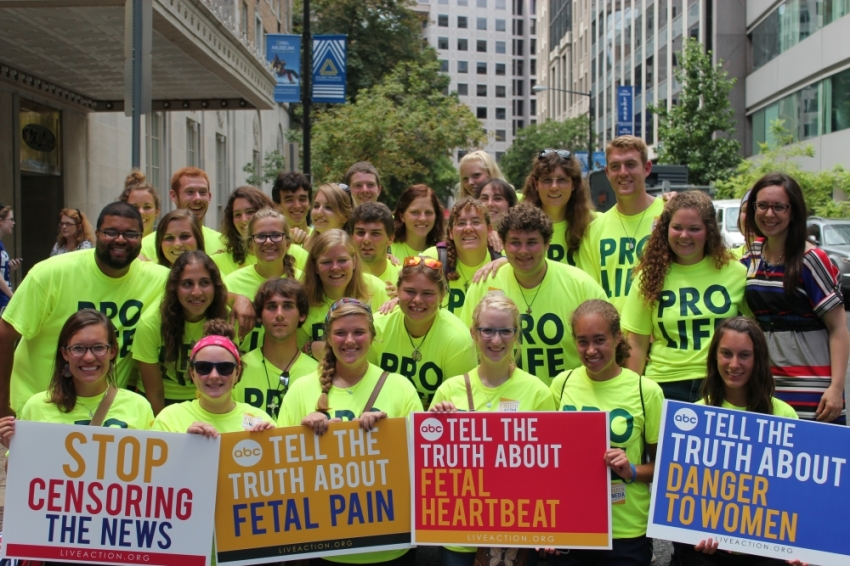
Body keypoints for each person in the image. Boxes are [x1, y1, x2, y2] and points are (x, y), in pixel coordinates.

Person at [278, 298, 422, 566]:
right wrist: (302, 436)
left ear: (373, 336)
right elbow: (281, 470)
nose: (350, 341)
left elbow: (421, 463)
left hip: (390, 546)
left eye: (359, 332)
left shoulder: (400, 387)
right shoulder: (301, 389)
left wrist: (389, 435)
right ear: (329, 338)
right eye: (340, 333)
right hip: (326, 546)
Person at [0, 202, 169, 416]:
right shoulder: (51, 273)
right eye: (111, 232)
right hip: (37, 410)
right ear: (96, 234)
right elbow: (5, 334)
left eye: (130, 234)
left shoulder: (159, 280)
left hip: (104, 413)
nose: (120, 239)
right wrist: (2, 405)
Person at [429, 293, 553, 565]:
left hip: (516, 533)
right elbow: (429, 465)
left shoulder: (538, 392)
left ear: (517, 334)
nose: (496, 341)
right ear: (474, 333)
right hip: (460, 534)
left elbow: (550, 470)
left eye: (505, 331)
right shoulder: (449, 390)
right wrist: (436, 426)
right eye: (487, 330)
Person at [678, 317, 801, 566]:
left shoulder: (785, 414)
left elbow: (794, 495)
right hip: (710, 549)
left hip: (766, 548)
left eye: (744, 355)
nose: (734, 364)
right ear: (714, 357)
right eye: (726, 354)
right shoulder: (695, 415)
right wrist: (694, 533)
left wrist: (798, 547)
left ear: (758, 360)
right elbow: (683, 494)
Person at [549, 299, 663, 566]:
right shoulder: (561, 384)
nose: (591, 350)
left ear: (617, 337)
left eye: (599, 340)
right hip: (573, 526)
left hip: (626, 530)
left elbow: (666, 468)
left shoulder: (646, 391)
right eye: (582, 341)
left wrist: (632, 470)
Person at [741, 172, 848, 424]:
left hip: (812, 385)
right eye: (762, 205)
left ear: (794, 211)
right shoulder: (752, 255)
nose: (769, 214)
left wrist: (836, 388)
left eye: (779, 207)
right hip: (765, 381)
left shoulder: (811, 260)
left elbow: (839, 328)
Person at [622, 191, 748, 403]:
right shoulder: (649, 276)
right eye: (677, 227)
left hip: (720, 383)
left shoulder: (736, 273)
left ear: (709, 231)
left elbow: (754, 334)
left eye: (694, 229)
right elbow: (636, 344)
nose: (684, 236)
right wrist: (633, 395)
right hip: (663, 386)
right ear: (665, 229)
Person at [461, 205, 607, 386]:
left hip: (567, 402)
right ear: (503, 245)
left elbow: (609, 347)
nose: (523, 250)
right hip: (503, 404)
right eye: (515, 242)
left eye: (531, 242)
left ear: (547, 243)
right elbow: (466, 349)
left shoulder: (582, 286)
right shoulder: (483, 286)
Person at [0, 310, 154, 441]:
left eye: (99, 347)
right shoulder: (37, 407)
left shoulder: (139, 406)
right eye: (78, 348)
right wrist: (14, 448)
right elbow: (22, 473)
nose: (88, 357)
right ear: (65, 353)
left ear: (112, 352)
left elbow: (150, 470)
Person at [369, 256, 477, 407]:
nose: (418, 300)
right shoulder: (377, 327)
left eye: (427, 293)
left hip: (437, 424)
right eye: (410, 291)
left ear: (442, 296)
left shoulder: (458, 340)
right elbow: (365, 389)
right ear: (397, 291)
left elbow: (460, 405)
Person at [133, 251, 229, 415]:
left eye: (205, 282)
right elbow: (154, 393)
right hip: (162, 401)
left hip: (210, 399)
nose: (196, 292)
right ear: (174, 288)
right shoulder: (150, 323)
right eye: (187, 284)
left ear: (215, 287)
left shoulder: (227, 319)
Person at [578, 135, 666, 311]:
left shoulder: (669, 216)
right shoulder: (594, 229)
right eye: (615, 166)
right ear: (607, 172)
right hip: (613, 334)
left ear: (647, 168)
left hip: (660, 334)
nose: (623, 172)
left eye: (631, 164)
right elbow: (589, 294)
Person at [152, 319, 275, 434]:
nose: (214, 376)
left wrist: (269, 441)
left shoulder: (260, 420)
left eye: (224, 368)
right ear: (192, 373)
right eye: (204, 367)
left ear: (237, 373)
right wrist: (185, 445)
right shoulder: (170, 418)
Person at [232, 278, 317, 420]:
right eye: (271, 307)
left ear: (302, 315)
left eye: (288, 306)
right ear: (259, 316)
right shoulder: (238, 368)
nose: (279, 314)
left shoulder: (317, 373)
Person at [299, 229, 391, 358]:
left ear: (354, 261)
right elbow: (295, 354)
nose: (335, 267)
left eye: (342, 260)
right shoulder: (302, 300)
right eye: (326, 262)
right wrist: (309, 349)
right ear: (315, 267)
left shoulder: (376, 288)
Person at [224, 208, 302, 351]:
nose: (268, 241)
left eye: (276, 235)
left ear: (288, 243)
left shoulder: (303, 281)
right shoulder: (231, 283)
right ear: (251, 245)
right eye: (260, 236)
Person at [424, 198, 501, 313]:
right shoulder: (434, 258)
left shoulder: (502, 261)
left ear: (489, 230)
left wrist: (507, 261)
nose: (468, 228)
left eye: (476, 222)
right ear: (451, 232)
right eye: (461, 223)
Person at [521, 149, 595, 267]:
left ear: (574, 185)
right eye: (547, 180)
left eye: (562, 180)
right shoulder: (519, 225)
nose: (554, 187)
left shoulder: (594, 223)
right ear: (536, 185)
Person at [140, 167, 225, 260]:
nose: (197, 198)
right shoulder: (145, 247)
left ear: (209, 197)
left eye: (202, 192)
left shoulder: (223, 244)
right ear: (173, 196)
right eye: (190, 192)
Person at [213, 185, 275, 276]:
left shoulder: (294, 253)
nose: (244, 219)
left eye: (250, 212)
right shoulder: (216, 262)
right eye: (237, 214)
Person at [347, 202, 400, 298]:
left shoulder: (404, 280)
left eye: (375, 233)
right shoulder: (340, 277)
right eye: (360, 232)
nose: (366, 240)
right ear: (351, 237)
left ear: (390, 239)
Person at [391, 184, 445, 260]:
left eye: (428, 212)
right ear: (402, 216)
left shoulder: (443, 254)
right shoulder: (386, 249)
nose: (422, 218)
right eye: (415, 212)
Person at [303, 183, 352, 253]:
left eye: (328, 207)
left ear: (345, 216)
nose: (319, 213)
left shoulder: (355, 253)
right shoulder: (303, 247)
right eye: (316, 206)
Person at [272, 170, 312, 241]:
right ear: (277, 206)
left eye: (302, 199)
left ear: (310, 203)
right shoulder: (272, 242)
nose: (297, 206)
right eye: (289, 200)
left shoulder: (321, 238)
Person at [119, 169, 161, 237]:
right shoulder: (114, 245)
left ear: (157, 211)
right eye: (134, 207)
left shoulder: (166, 244)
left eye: (147, 207)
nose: (141, 212)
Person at [0, 204, 21, 314]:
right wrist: (13, 296)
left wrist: (9, 268)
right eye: (11, 219)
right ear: (1, 221)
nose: (13, 223)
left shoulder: (1, 244)